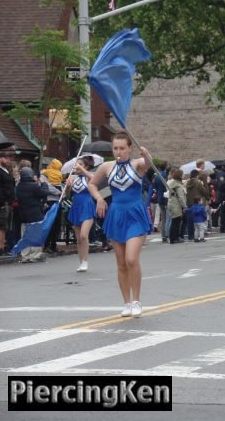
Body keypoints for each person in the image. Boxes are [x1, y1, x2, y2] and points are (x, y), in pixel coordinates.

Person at [88, 132, 153, 318]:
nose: (118, 151)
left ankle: (137, 301)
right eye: (115, 148)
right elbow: (92, 184)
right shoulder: (106, 167)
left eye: (122, 148)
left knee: (131, 259)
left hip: (135, 214)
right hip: (116, 215)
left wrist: (146, 154)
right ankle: (126, 303)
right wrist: (99, 198)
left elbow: (148, 163)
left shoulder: (137, 164)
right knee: (121, 263)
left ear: (129, 148)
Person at [65, 158, 97, 272]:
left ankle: (85, 261)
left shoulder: (90, 175)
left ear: (86, 166)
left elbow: (93, 179)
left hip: (87, 206)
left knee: (84, 235)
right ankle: (81, 262)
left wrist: (81, 168)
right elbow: (67, 195)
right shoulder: (72, 177)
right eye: (76, 164)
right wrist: (67, 187)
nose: (77, 166)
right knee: (78, 239)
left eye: (81, 164)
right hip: (76, 206)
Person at [15, 167, 49, 261]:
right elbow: (44, 192)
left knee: (25, 235)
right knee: (35, 234)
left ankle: (25, 255)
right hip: (35, 214)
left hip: (23, 214)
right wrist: (44, 183)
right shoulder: (33, 186)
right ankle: (34, 256)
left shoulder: (19, 186)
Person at [0, 150, 15, 255]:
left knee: (5, 227)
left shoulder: (6, 170)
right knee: (0, 226)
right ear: (0, 158)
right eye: (6, 158)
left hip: (8, 202)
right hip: (2, 203)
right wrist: (1, 203)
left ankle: (2, 247)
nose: (8, 160)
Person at [167, 169, 187, 244]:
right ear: (180, 175)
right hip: (176, 205)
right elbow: (181, 197)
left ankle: (173, 237)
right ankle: (174, 238)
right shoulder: (178, 185)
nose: (184, 175)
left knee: (175, 221)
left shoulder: (173, 183)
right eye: (182, 174)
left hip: (172, 204)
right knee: (176, 221)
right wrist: (185, 206)